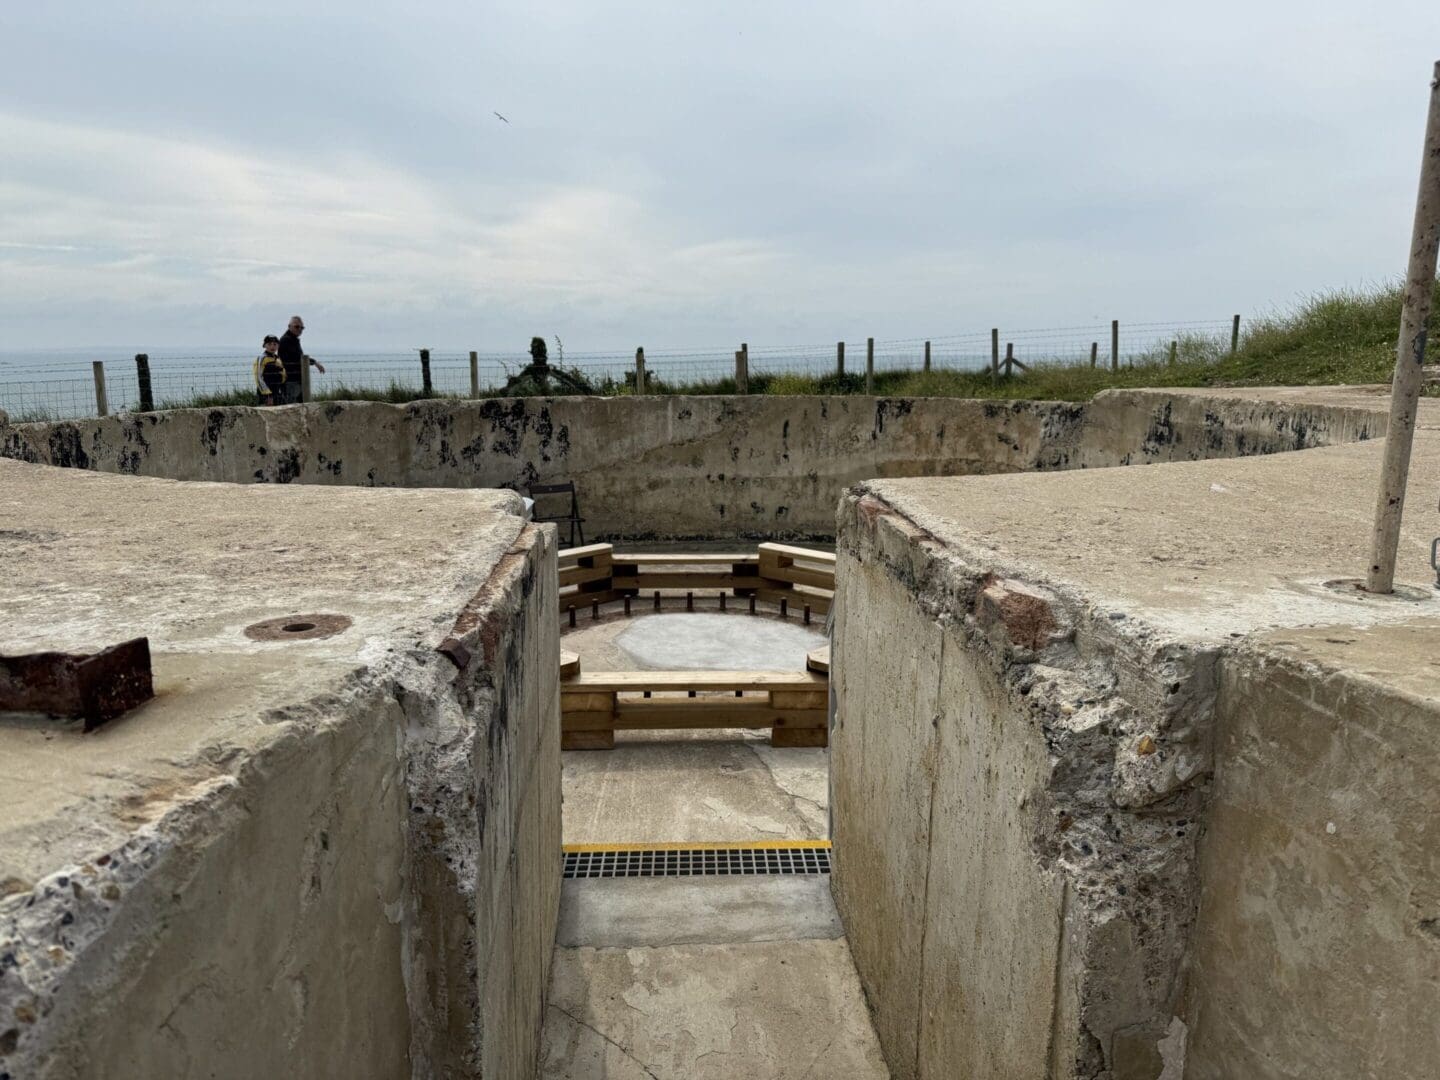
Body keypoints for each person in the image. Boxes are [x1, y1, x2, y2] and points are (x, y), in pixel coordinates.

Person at [276, 315, 325, 403]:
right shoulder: (286, 340)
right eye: (297, 326)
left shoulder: (293, 339)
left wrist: (312, 362)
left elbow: (300, 359)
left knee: (299, 405)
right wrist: (314, 362)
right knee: (293, 407)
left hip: (294, 379)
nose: (299, 329)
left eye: (302, 327)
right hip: (291, 380)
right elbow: (299, 359)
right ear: (289, 326)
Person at [253, 335, 286, 405]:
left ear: (278, 346)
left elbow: (283, 374)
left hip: (277, 391)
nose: (272, 346)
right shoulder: (262, 358)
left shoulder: (278, 359)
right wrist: (267, 394)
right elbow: (258, 377)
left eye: (275, 344)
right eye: (269, 344)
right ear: (264, 345)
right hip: (266, 393)